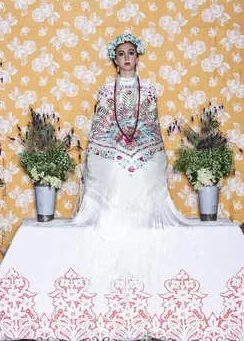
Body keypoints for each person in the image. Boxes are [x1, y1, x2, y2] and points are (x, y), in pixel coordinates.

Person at [71, 33, 194, 230]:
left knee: (142, 168)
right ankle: (113, 225)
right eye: (121, 54)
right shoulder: (106, 90)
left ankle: (143, 224)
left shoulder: (147, 89)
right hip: (113, 144)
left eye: (131, 53)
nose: (127, 58)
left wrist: (137, 143)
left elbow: (150, 124)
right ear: (115, 60)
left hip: (142, 144)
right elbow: (102, 125)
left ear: (137, 58)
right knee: (115, 168)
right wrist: (118, 142)